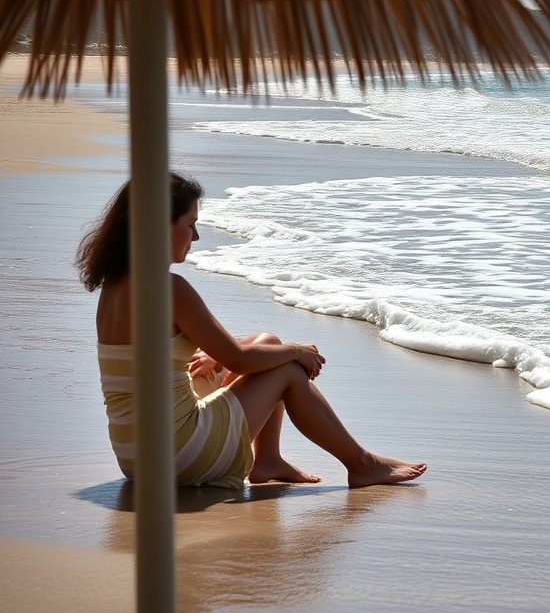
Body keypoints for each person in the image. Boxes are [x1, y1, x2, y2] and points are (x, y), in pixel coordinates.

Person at [75, 172, 427, 490]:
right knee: (285, 366)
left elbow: (161, 359)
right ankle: (362, 465)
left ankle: (267, 461)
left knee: (265, 342)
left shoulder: (114, 287)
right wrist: (296, 351)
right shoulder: (169, 289)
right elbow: (240, 360)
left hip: (136, 457)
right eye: (190, 224)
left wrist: (221, 355)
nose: (196, 236)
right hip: (177, 453)